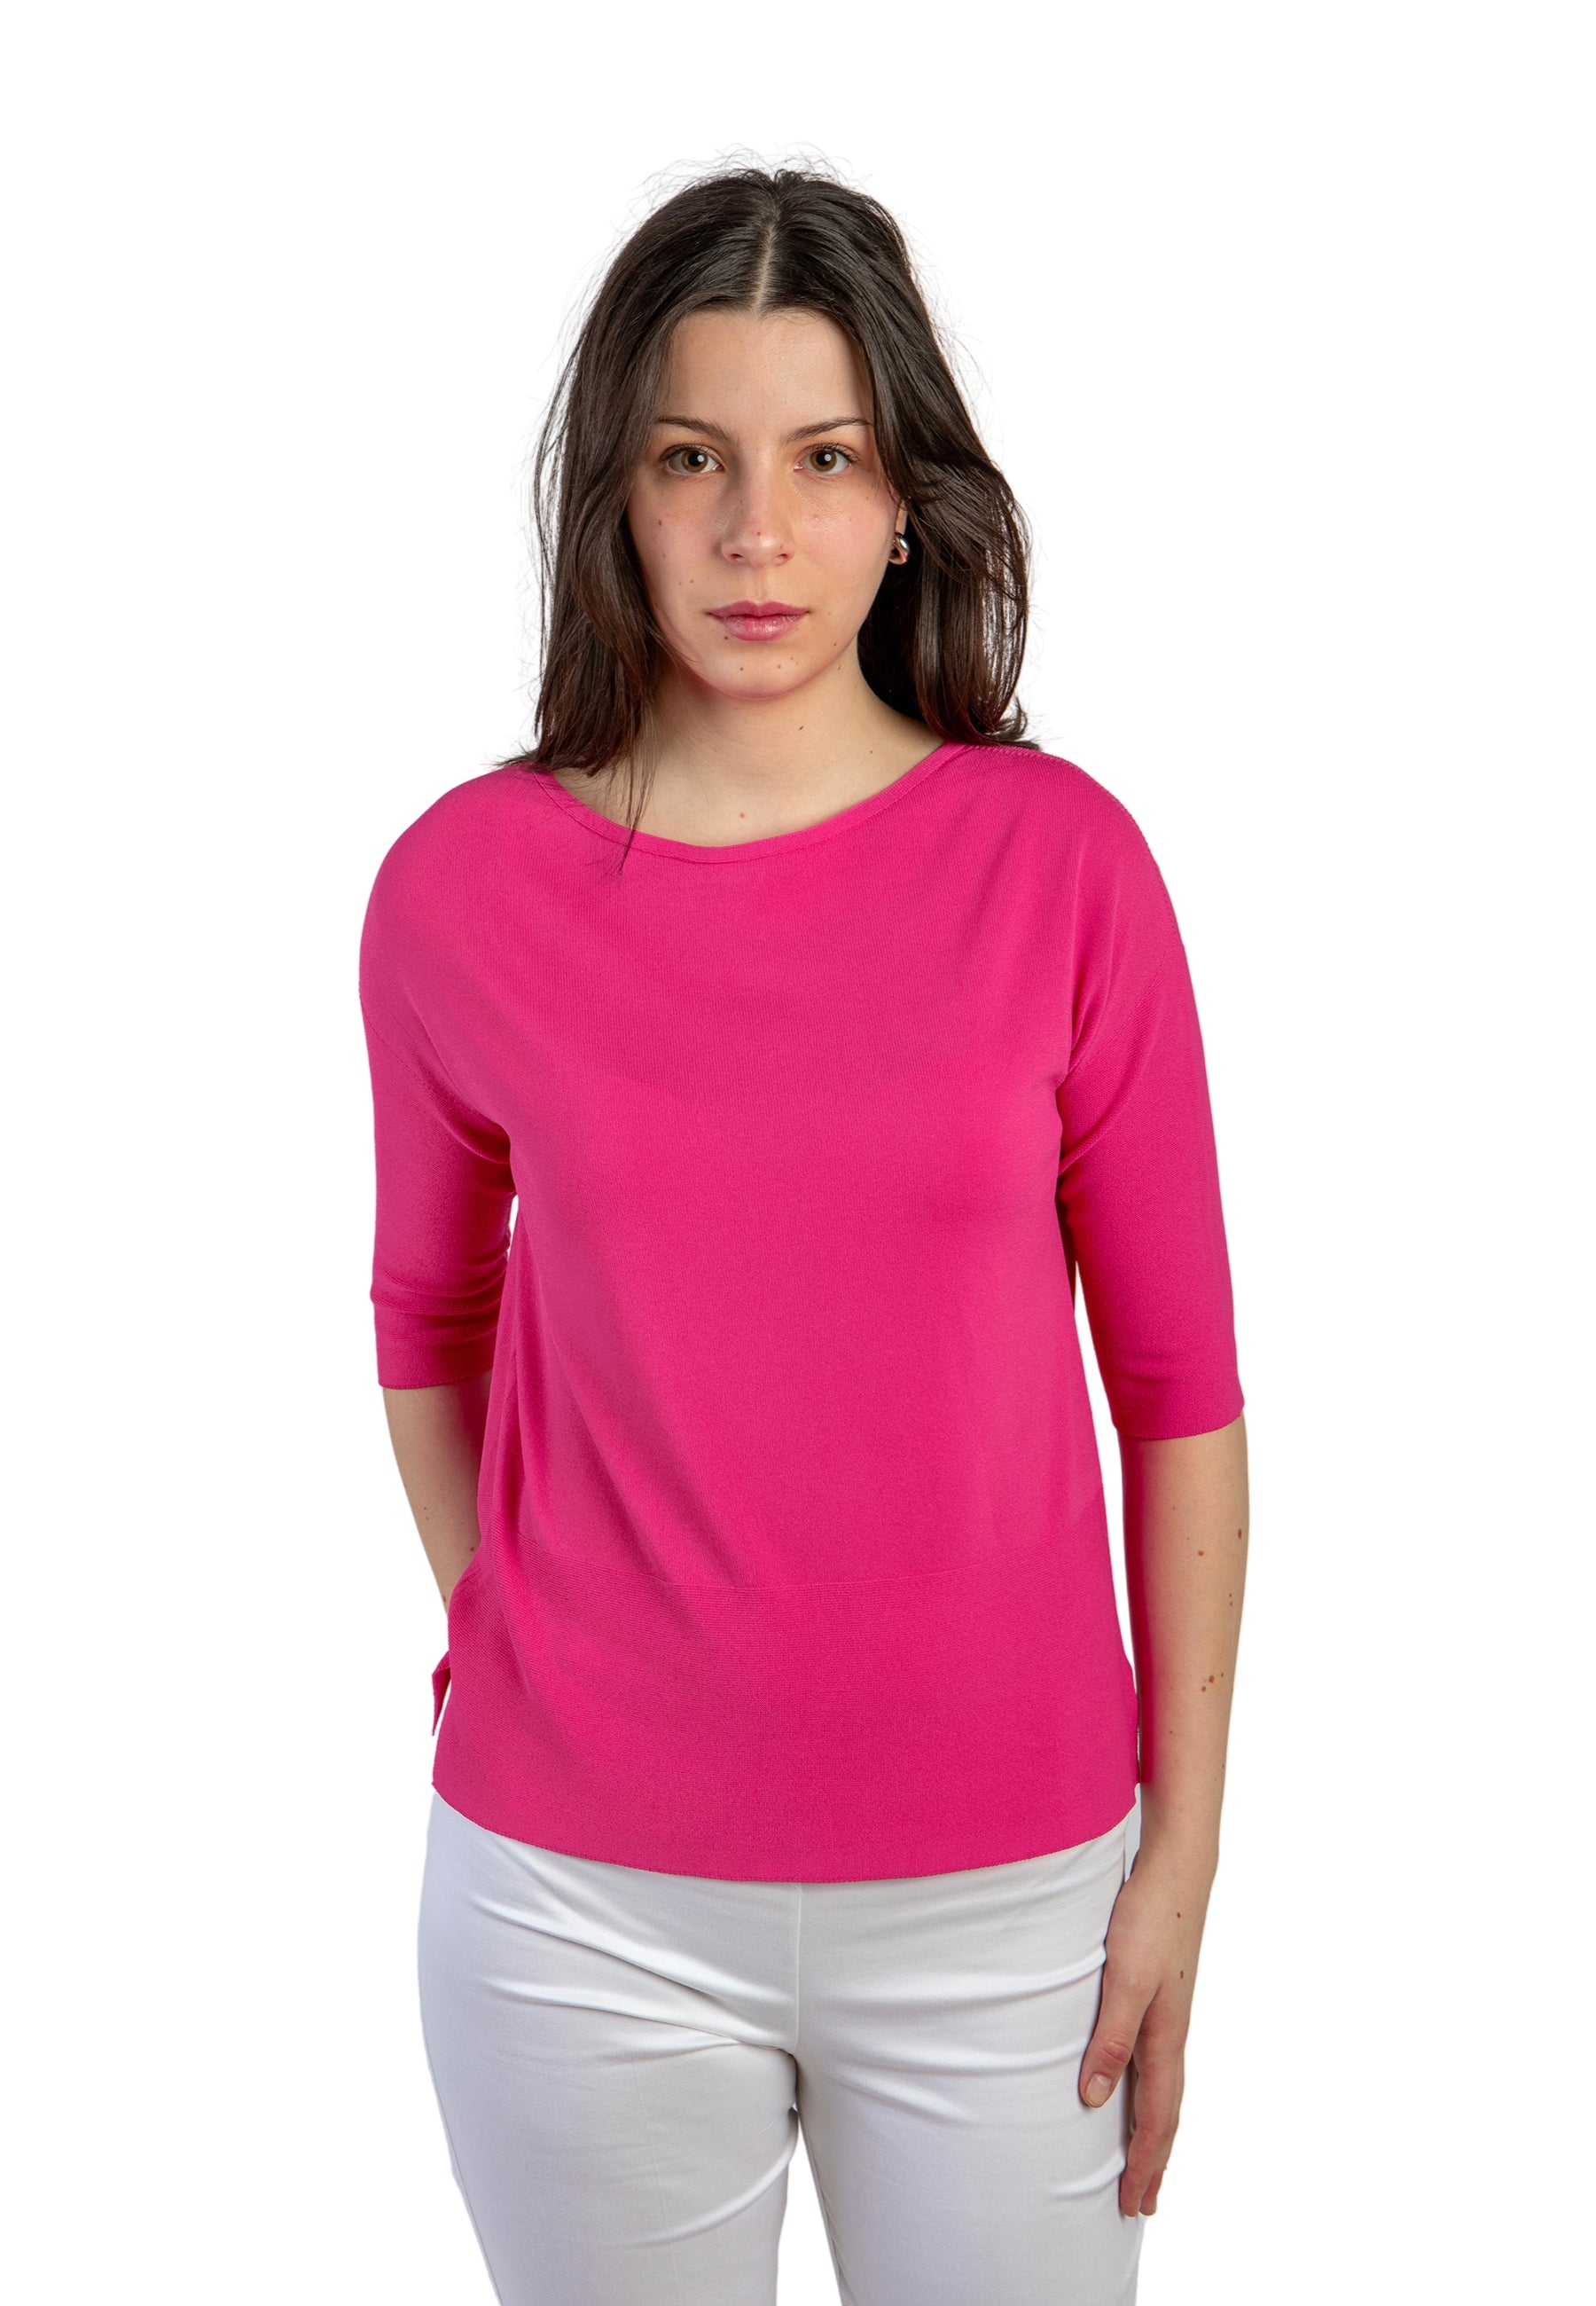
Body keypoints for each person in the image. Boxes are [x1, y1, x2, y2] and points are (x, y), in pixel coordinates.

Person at [359, 161, 1248, 2306]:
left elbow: (1181, 1396)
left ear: (907, 498)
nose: (758, 531)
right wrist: (509, 1619)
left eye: (824, 458)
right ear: (618, 496)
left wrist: (1183, 1856)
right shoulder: (461, 890)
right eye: (695, 459)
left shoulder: (1060, 865)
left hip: (1011, 1894)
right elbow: (425, 1313)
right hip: (574, 1904)